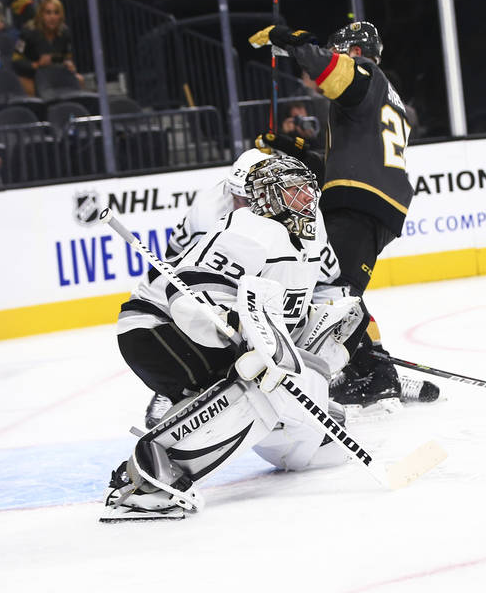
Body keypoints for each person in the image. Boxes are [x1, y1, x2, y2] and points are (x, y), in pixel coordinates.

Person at [104, 152, 360, 520]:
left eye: (307, 187)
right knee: (251, 385)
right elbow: (188, 294)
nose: (308, 196)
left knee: (297, 401)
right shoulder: (253, 229)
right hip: (156, 329)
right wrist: (240, 331)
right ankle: (145, 478)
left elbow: (292, 313)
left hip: (196, 335)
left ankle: (295, 431)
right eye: (293, 190)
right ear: (270, 198)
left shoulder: (306, 235)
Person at [139, 140, 440, 429]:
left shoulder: (300, 215)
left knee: (345, 305)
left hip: (268, 295)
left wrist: (354, 340)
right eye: (238, 199)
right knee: (193, 324)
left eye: (250, 198)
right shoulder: (209, 213)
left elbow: (329, 283)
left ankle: (364, 374)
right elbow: (179, 276)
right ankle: (173, 389)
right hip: (216, 293)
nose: (244, 205)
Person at [249, 20, 419, 413]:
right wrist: (293, 149)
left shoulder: (366, 75)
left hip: (360, 201)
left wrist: (293, 41)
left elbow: (329, 70)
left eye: (340, 51)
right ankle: (372, 366)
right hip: (368, 199)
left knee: (334, 294)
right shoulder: (379, 99)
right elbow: (342, 163)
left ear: (356, 52)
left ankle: (376, 375)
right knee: (338, 288)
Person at [11, 0, 82, 88]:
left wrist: (68, 64)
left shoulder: (65, 32)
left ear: (61, 16)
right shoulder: (28, 32)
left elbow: (68, 57)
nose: (52, 17)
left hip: (56, 74)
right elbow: (16, 61)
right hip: (32, 75)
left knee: (79, 79)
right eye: (48, 13)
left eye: (56, 13)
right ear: (41, 15)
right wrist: (36, 65)